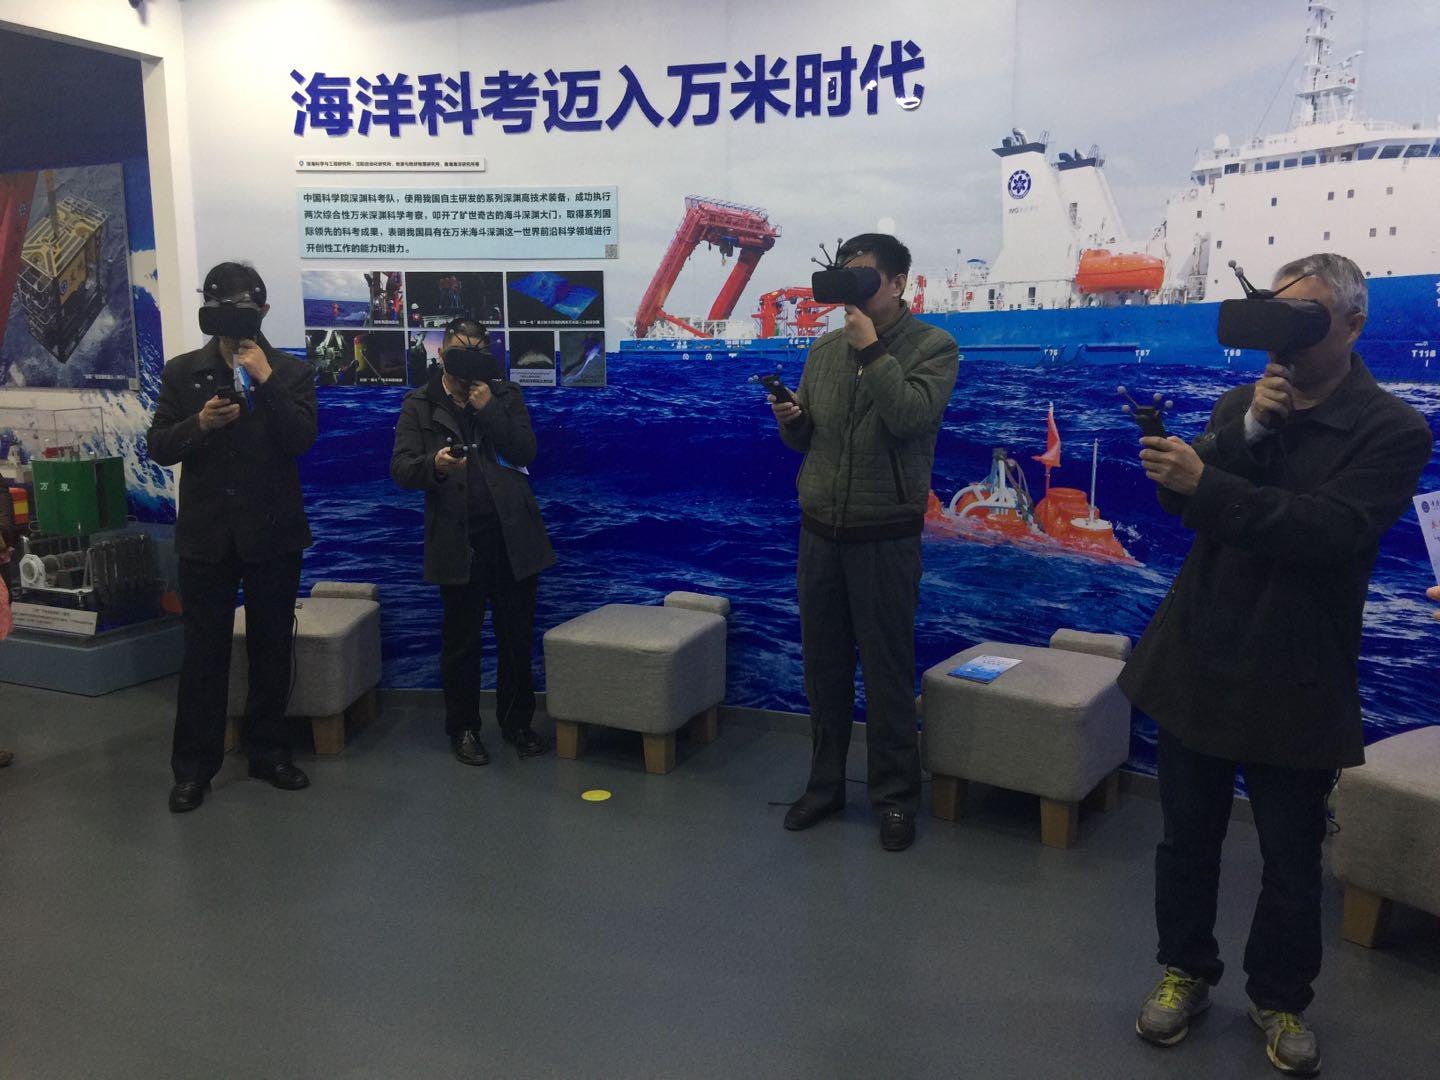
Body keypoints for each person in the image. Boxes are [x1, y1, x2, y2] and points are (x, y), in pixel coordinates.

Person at [1122, 252, 1432, 1075]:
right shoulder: (1240, 404)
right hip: (1199, 654)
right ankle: (1185, 970)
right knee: (1186, 841)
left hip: (1298, 671)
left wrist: (1211, 479)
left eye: (1305, 318)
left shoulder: (1392, 428)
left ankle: (1281, 997)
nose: (1282, 338)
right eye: (1276, 314)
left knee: (1292, 861)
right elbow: (1179, 502)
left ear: (1353, 325)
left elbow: (1328, 532)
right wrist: (1248, 432)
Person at [770, 233, 959, 852]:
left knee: (886, 672)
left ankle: (895, 798)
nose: (852, 286)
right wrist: (793, 422)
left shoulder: (934, 347)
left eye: (865, 276)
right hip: (819, 533)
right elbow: (811, 441)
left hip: (886, 536)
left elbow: (910, 418)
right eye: (845, 275)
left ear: (898, 284)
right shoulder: (823, 350)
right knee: (823, 670)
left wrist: (872, 350)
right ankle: (824, 786)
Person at [147, 262, 318, 813]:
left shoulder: (290, 372)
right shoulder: (182, 372)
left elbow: (301, 439)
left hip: (273, 532)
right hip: (207, 536)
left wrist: (266, 380)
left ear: (263, 311)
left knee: (272, 647)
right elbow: (158, 446)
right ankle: (193, 769)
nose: (233, 320)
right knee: (203, 654)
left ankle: (268, 752)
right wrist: (199, 424)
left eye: (243, 309)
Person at [390, 317, 555, 765]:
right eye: (462, 348)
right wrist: (435, 465)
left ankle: (517, 723)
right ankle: (463, 728)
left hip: (513, 536)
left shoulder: (506, 395)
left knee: (515, 637)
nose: (470, 357)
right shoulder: (419, 403)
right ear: (443, 351)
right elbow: (401, 469)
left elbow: (525, 451)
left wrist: (490, 410)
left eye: (480, 349)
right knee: (461, 641)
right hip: (457, 538)